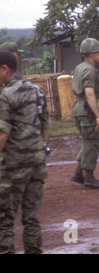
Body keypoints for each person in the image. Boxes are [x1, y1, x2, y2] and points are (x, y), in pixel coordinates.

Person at [0, 50, 50, 254]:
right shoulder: (37, 90)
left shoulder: (6, 95)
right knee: (31, 217)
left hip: (13, 166)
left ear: (4, 69)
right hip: (37, 163)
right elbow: (45, 126)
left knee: (4, 219)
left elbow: (3, 133)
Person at [70, 38, 99, 189]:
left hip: (79, 107)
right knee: (92, 143)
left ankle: (78, 173)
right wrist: (97, 114)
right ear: (91, 54)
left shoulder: (80, 67)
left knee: (87, 140)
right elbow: (90, 93)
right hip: (86, 109)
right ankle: (89, 177)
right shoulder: (90, 70)